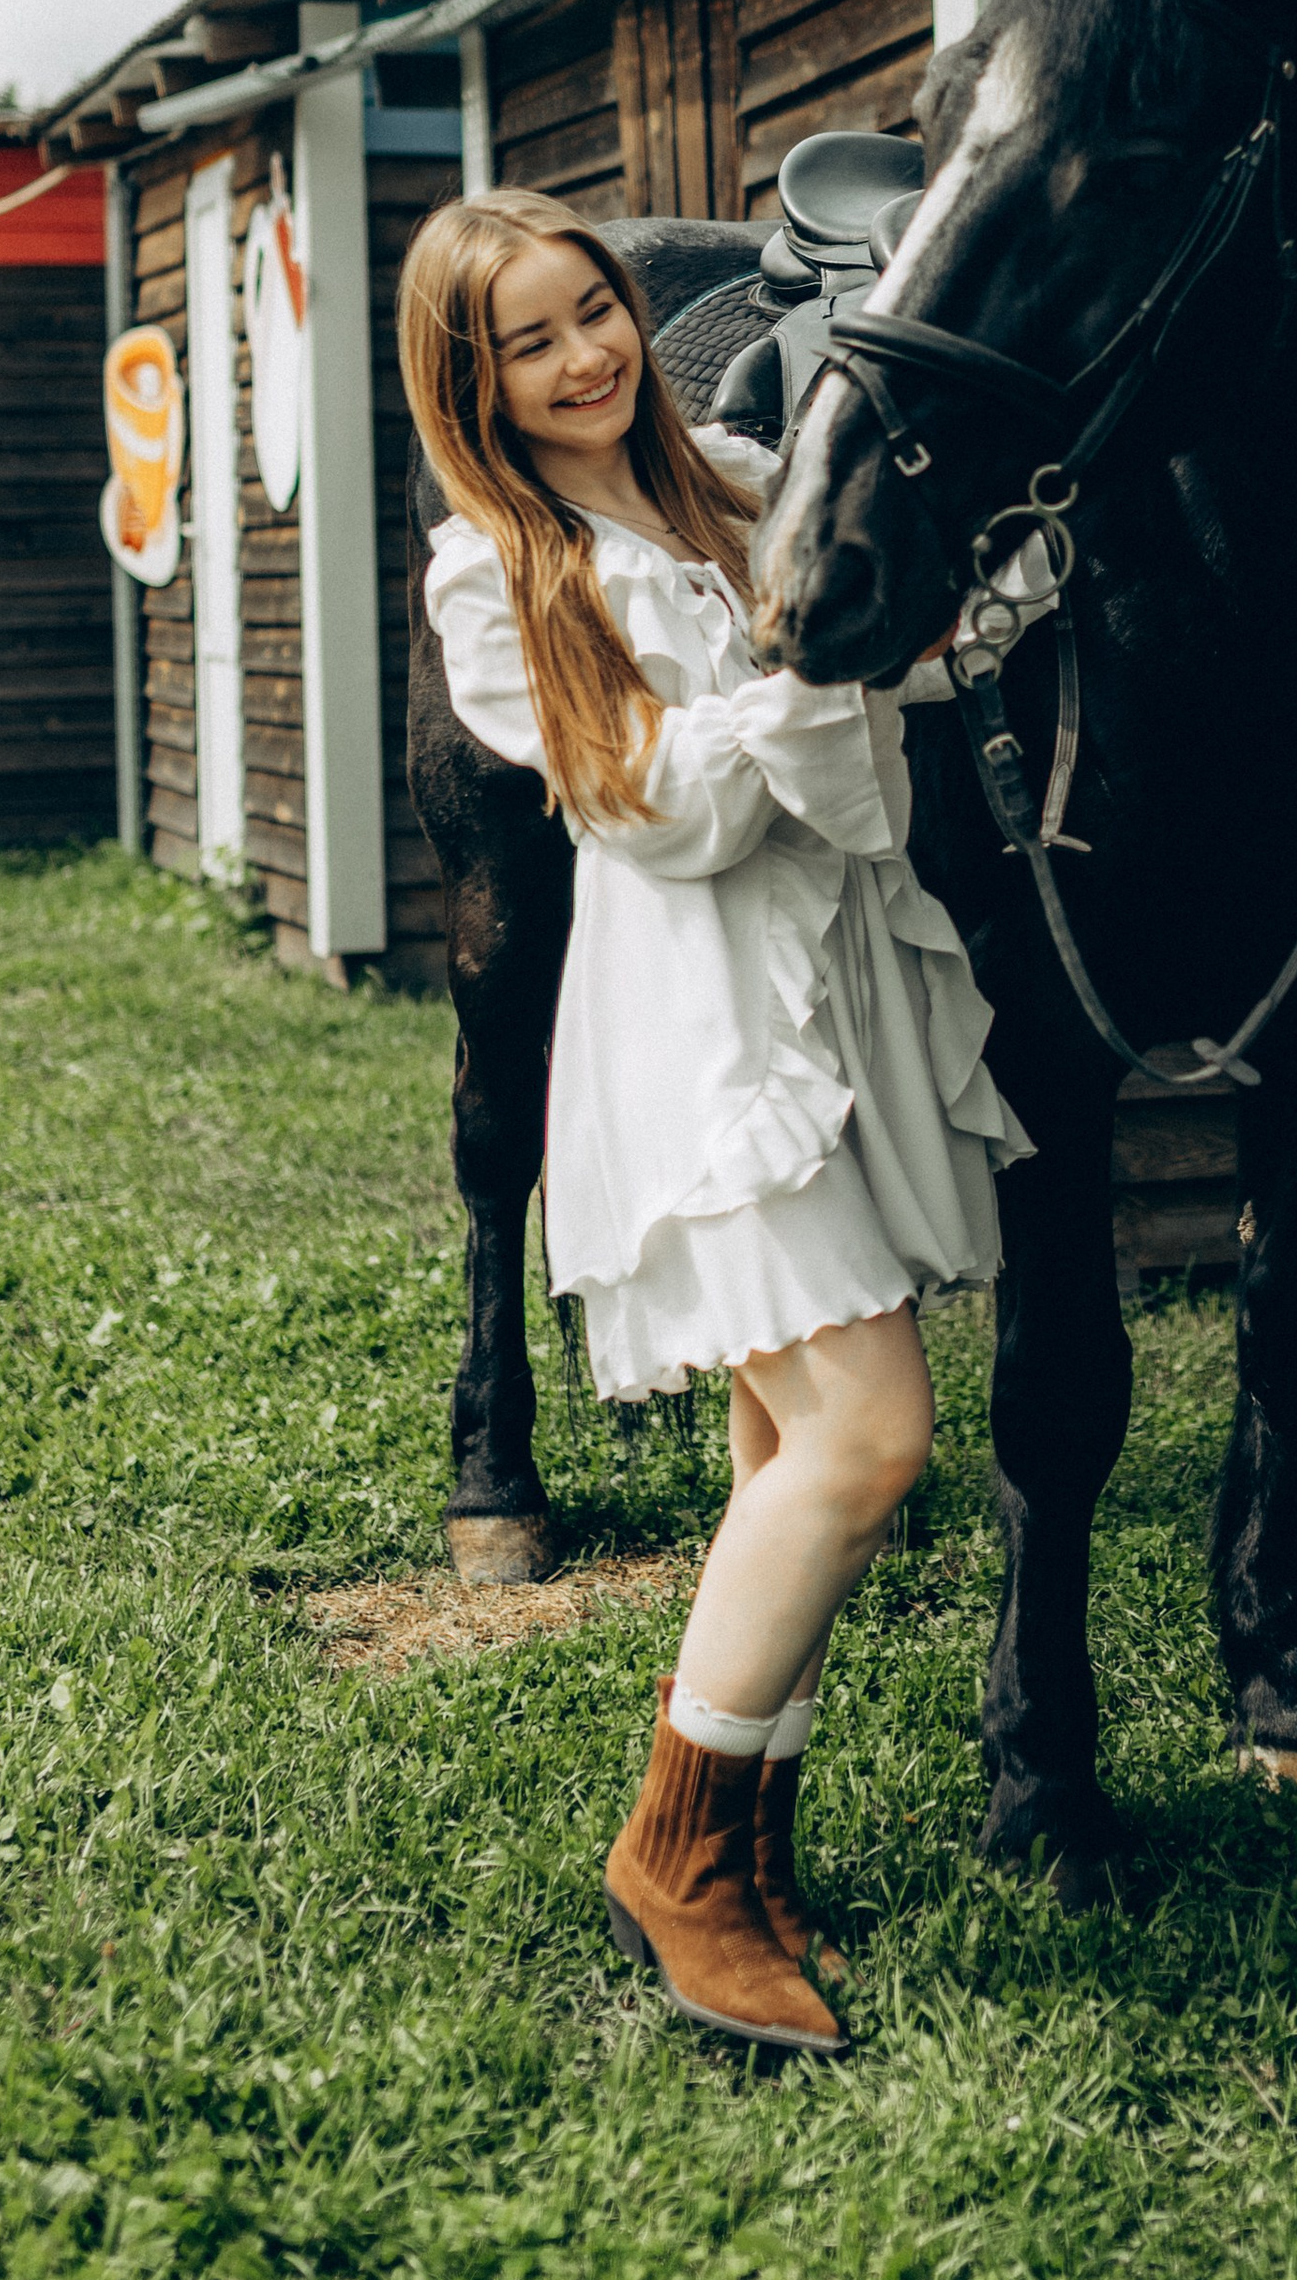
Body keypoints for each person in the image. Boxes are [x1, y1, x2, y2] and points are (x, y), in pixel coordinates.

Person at [397, 188, 1027, 2057]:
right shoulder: (496, 568)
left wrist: (953, 602)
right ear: (475, 382)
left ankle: (749, 1848)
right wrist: (812, 666)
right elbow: (657, 809)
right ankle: (674, 1856)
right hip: (702, 1040)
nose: (591, 353)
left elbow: (919, 629)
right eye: (535, 338)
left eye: (594, 310)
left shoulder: (736, 475)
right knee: (870, 1439)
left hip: (832, 989)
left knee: (783, 1458)